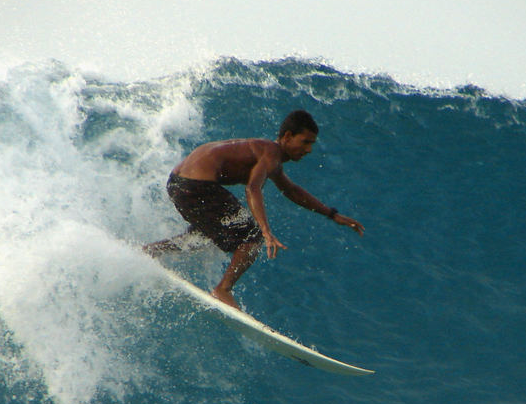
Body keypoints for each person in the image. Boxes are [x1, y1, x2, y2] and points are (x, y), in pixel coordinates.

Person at [144, 110, 365, 309]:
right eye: (305, 142)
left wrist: (332, 214)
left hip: (177, 183)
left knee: (205, 235)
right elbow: (253, 188)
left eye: (312, 144)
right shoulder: (271, 152)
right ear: (287, 136)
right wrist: (265, 231)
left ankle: (151, 251)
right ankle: (223, 289)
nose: (308, 150)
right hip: (197, 186)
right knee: (251, 238)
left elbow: (291, 190)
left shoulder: (266, 153)